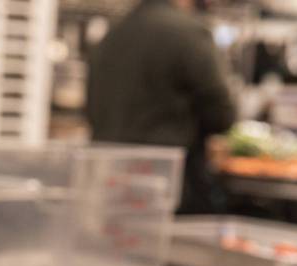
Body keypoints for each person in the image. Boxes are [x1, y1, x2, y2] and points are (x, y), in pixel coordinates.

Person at [86, 0, 235, 213]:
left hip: (109, 183)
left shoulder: (113, 33)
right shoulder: (189, 33)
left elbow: (91, 110)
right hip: (166, 188)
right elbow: (222, 114)